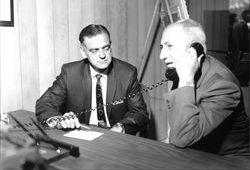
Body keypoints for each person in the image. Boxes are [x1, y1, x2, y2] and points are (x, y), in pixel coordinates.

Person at [36, 24, 149, 135]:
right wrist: (59, 120)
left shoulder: (127, 73)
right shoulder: (70, 73)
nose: (102, 55)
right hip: (82, 136)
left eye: (106, 48)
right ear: (83, 52)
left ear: (111, 46)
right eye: (94, 51)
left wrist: (121, 127)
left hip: (115, 138)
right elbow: (45, 103)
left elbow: (139, 113)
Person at [159, 19, 249, 156]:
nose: (162, 56)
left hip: (227, 162)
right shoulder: (185, 73)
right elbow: (178, 132)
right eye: (162, 47)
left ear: (195, 49)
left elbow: (183, 138)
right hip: (195, 151)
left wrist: (186, 82)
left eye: (169, 46)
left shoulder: (223, 86)